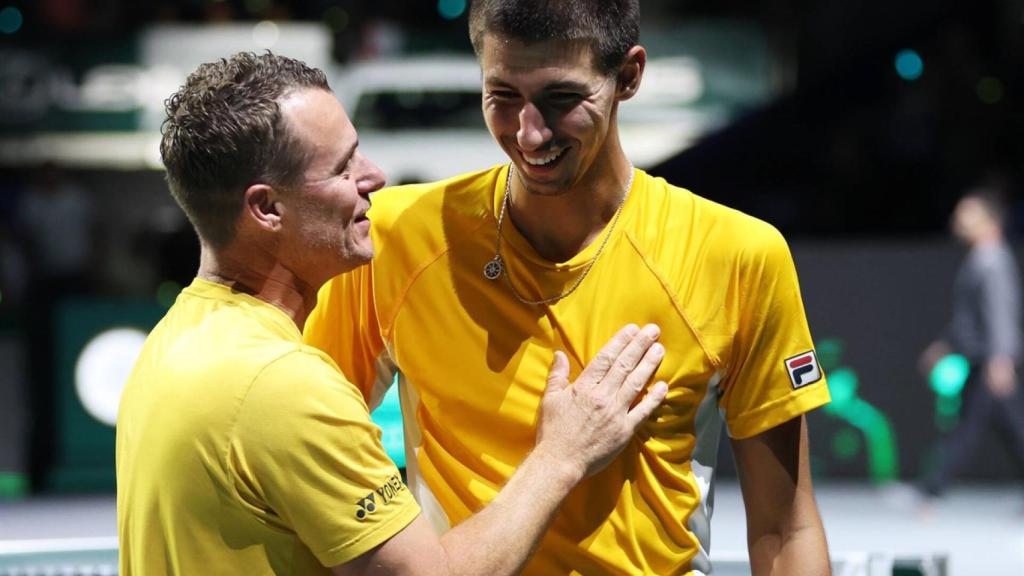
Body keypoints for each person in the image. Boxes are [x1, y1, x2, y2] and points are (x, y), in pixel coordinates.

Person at [304, 1, 832, 574]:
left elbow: (785, 529)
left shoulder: (736, 255)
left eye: (561, 99)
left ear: (628, 76)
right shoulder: (397, 237)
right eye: (502, 95)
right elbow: (303, 451)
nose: (529, 132)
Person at [115, 51, 671, 576]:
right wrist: (562, 455)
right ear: (266, 208)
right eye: (341, 168)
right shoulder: (282, 384)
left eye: (358, 150)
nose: (374, 176)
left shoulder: (171, 344)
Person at [919, 188, 1024, 497]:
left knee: (977, 426)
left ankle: (933, 486)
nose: (959, 219)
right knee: (1005, 427)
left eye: (968, 213)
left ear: (989, 220)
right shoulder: (980, 259)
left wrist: (1001, 358)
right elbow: (970, 320)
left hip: (990, 360)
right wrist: (945, 346)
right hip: (982, 357)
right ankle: (933, 485)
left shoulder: (993, 260)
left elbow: (999, 311)